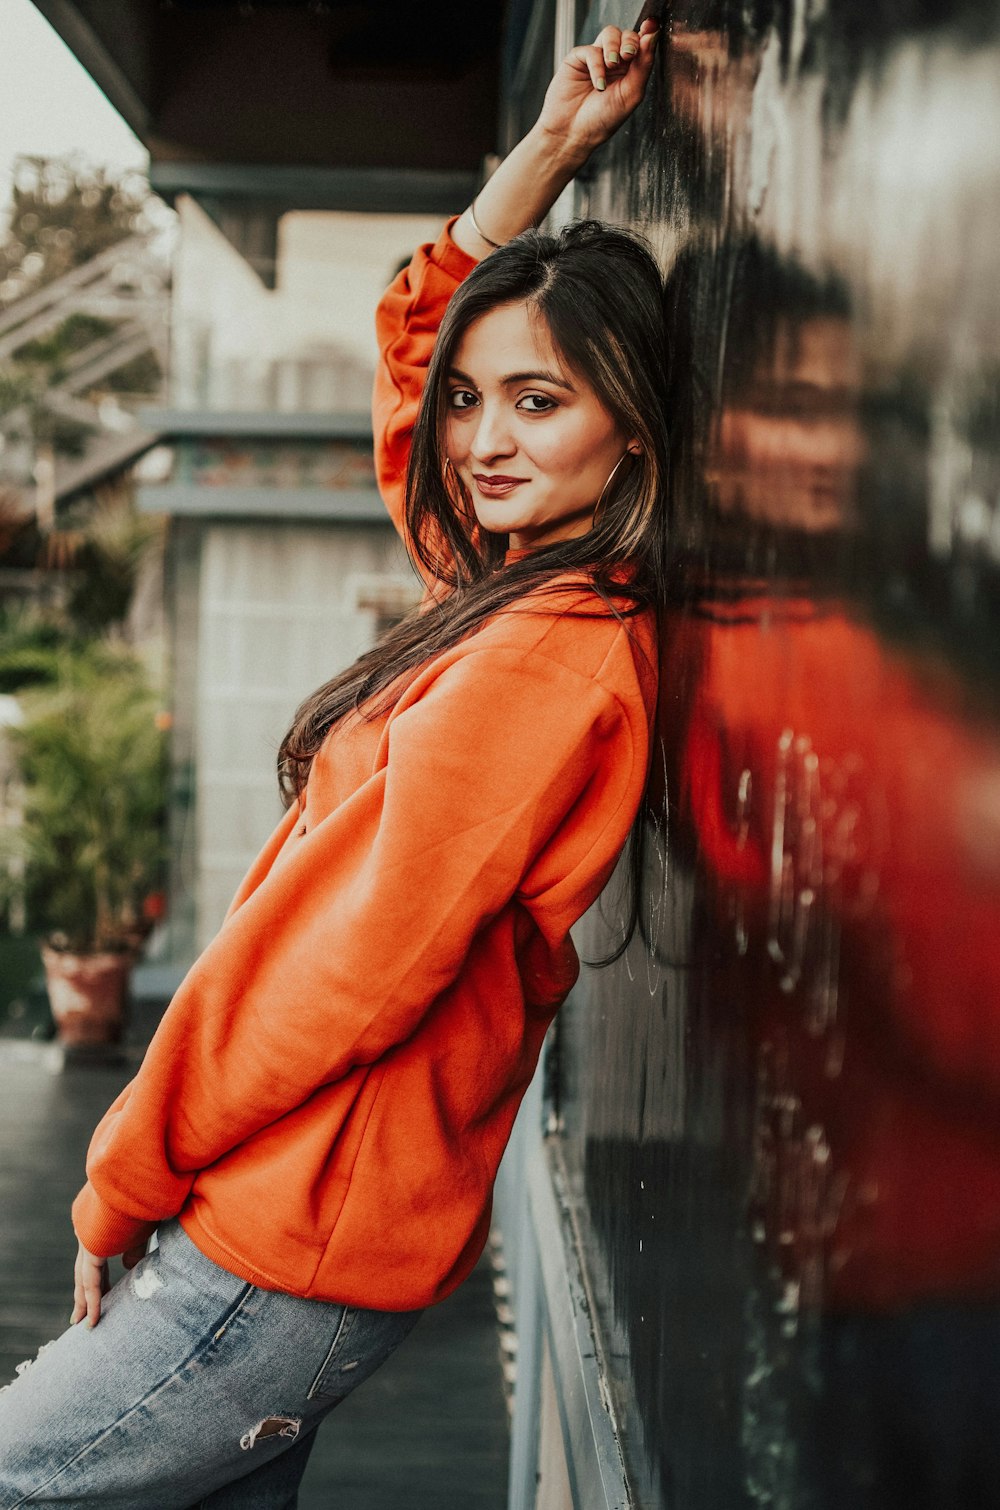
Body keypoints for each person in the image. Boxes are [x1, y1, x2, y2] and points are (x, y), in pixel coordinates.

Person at [0, 18, 665, 1507]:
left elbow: (334, 968)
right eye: (479, 401)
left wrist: (121, 1170)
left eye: (542, 401)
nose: (484, 438)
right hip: (281, 1218)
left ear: (636, 433)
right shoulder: (508, 590)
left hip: (275, 1245)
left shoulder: (540, 661)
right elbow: (419, 337)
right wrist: (553, 146)